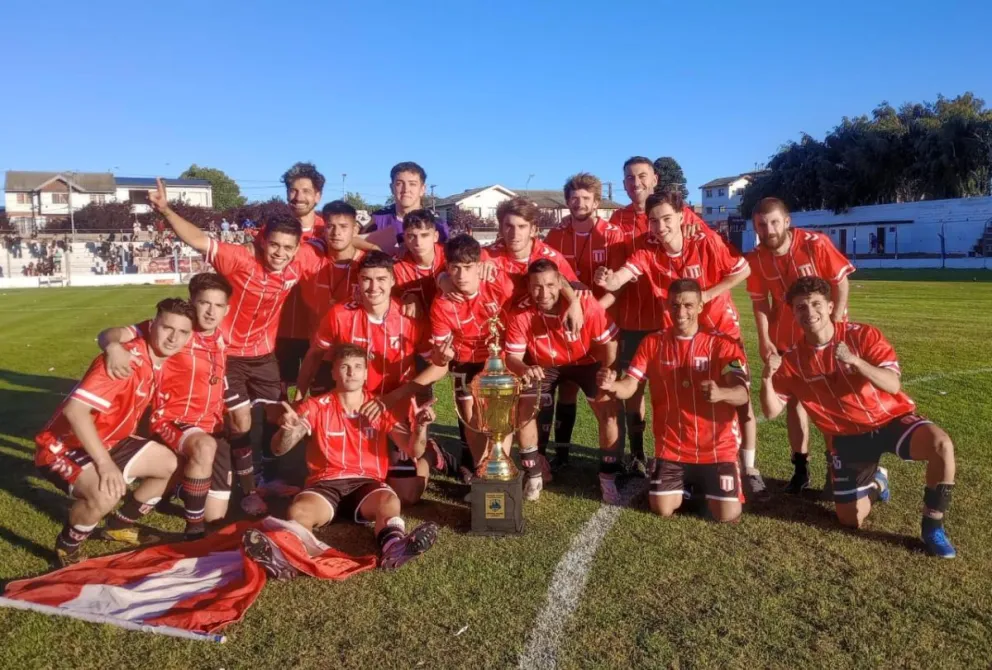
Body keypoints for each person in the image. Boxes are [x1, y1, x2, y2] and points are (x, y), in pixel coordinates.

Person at [148, 177, 324, 515]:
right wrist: (167, 210)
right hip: (227, 356)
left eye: (288, 248)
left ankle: (262, 476)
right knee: (240, 422)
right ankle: (247, 489)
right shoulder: (240, 259)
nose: (280, 254)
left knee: (278, 416)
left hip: (264, 356)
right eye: (275, 245)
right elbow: (200, 240)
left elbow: (341, 251)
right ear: (262, 240)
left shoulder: (299, 262)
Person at [760, 277, 957, 558]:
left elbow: (892, 385)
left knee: (941, 445)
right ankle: (877, 483)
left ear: (830, 306)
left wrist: (856, 362)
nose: (809, 312)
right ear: (793, 312)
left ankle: (933, 526)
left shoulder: (862, 335)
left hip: (890, 419)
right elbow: (770, 411)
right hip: (847, 438)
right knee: (849, 519)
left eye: (816, 304)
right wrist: (767, 378)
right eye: (801, 307)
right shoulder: (792, 359)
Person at [595, 189, 767, 499]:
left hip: (722, 334)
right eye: (654, 221)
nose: (661, 227)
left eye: (666, 219)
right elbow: (623, 276)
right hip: (681, 335)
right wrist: (609, 280)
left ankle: (750, 468)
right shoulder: (649, 252)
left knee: (738, 395)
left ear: (681, 216)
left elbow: (743, 270)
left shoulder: (705, 241)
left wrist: (709, 295)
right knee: (683, 396)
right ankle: (686, 465)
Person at [34, 299, 195, 566]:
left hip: (111, 439)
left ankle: (118, 526)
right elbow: (75, 412)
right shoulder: (124, 362)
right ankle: (68, 546)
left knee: (172, 464)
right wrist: (106, 464)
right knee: (106, 493)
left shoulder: (158, 357)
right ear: (152, 325)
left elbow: (111, 335)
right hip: (62, 447)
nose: (173, 337)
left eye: (182, 332)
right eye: (167, 328)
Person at [268, 343, 440, 572]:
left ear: (366, 373)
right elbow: (278, 449)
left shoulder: (378, 409)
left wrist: (419, 428)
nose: (351, 372)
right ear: (333, 372)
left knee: (390, 501)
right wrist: (287, 431)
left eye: (358, 367)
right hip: (325, 484)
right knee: (298, 510)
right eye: (345, 367)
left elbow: (414, 452)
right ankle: (293, 557)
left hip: (366, 484)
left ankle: (394, 547)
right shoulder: (316, 406)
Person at [295, 251, 441, 505]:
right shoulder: (340, 314)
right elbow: (315, 354)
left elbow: (440, 367)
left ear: (393, 280)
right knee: (353, 477)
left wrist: (392, 398)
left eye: (381, 279)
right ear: (358, 282)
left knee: (407, 496)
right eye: (366, 279)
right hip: (354, 411)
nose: (374, 287)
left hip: (394, 409)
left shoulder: (409, 316)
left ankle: (428, 454)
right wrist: (299, 395)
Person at [598, 279, 749, 522]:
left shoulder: (723, 344)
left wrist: (722, 393)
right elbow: (629, 386)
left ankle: (702, 487)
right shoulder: (652, 343)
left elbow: (742, 392)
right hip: (673, 448)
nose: (681, 312)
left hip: (718, 448)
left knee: (728, 515)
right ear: (668, 305)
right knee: (662, 508)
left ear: (700, 306)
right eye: (675, 305)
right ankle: (691, 486)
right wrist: (611, 385)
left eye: (688, 305)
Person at [97, 273, 235, 539]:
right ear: (192, 301)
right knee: (202, 448)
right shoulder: (175, 330)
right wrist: (112, 345)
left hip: (210, 427)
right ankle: (194, 532)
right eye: (204, 303)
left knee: (214, 513)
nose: (210, 311)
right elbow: (111, 333)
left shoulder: (222, 339)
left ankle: (117, 525)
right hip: (172, 419)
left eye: (218, 306)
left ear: (226, 310)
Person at [746, 197, 854, 494]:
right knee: (795, 403)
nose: (768, 230)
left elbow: (840, 282)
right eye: (761, 224)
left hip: (823, 341)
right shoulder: (756, 259)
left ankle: (837, 466)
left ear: (787, 221)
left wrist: (836, 325)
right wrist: (765, 339)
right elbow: (759, 303)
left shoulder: (815, 244)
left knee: (832, 403)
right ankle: (800, 468)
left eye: (774, 222)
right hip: (785, 343)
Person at [504, 259, 620, 502]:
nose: (543, 293)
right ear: (528, 286)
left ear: (560, 283)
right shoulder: (521, 312)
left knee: (608, 410)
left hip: (586, 361)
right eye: (536, 286)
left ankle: (607, 477)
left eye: (549, 285)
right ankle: (534, 475)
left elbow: (610, 341)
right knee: (524, 408)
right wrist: (525, 368)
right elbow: (512, 356)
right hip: (544, 365)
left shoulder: (585, 303)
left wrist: (609, 370)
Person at [543, 173, 625, 467]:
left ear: (597, 202)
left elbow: (620, 287)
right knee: (565, 388)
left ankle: (615, 464)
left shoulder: (612, 235)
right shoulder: (555, 235)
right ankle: (560, 456)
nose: (579, 203)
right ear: (567, 201)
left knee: (605, 396)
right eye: (574, 198)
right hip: (563, 328)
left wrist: (590, 310)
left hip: (601, 329)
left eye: (586, 198)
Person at [429, 234, 517, 483]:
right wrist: (442, 355)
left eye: (468, 267)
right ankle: (482, 472)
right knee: (472, 421)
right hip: (464, 362)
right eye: (454, 268)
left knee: (500, 419)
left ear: (479, 266)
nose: (461, 274)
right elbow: (439, 352)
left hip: (498, 361)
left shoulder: (498, 284)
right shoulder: (441, 304)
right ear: (446, 268)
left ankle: (500, 472)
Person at [274, 162, 327, 400]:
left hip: (317, 330)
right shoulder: (273, 231)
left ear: (318, 195)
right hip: (277, 328)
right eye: (293, 190)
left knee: (318, 400)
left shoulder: (331, 230)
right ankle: (272, 438)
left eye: (306, 191)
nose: (299, 197)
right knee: (277, 399)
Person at [302, 200, 366, 324]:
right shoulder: (313, 257)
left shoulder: (367, 263)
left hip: (352, 340)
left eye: (343, 226)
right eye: (330, 226)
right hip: (315, 339)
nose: (336, 233)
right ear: (323, 230)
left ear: (355, 230)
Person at [364, 162, 449, 255]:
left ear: (422, 189)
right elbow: (350, 240)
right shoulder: (377, 218)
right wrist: (377, 248)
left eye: (412, 184)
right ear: (392, 188)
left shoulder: (437, 223)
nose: (406, 189)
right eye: (399, 183)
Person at [391, 209, 446, 319]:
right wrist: (406, 297)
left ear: (435, 237)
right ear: (404, 238)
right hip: (417, 326)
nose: (418, 243)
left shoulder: (450, 256)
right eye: (411, 236)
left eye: (424, 235)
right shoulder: (396, 266)